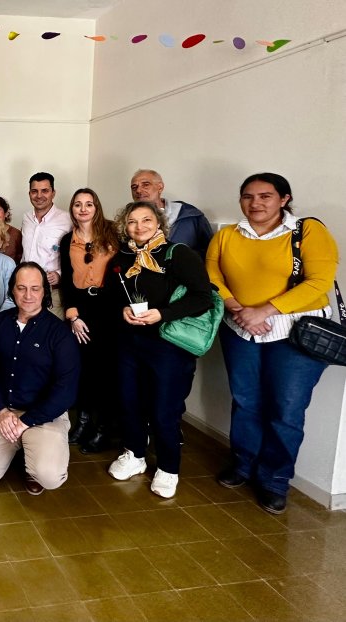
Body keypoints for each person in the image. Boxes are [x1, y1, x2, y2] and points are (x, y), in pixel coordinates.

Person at [206, 173, 338, 514]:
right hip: (240, 330)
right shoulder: (227, 235)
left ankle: (275, 480)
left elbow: (319, 281)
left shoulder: (307, 231)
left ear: (284, 199)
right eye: (248, 196)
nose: (256, 203)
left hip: (294, 335)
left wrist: (264, 310)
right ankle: (243, 464)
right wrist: (236, 308)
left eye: (265, 196)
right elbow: (212, 276)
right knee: (245, 401)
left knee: (286, 409)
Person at [106, 201, 213, 499]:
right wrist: (122, 310)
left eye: (146, 220)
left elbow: (202, 297)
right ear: (124, 226)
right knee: (129, 400)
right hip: (130, 342)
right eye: (132, 221)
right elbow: (112, 297)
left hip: (168, 345)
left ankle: (168, 467)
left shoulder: (178, 254)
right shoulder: (122, 257)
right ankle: (135, 454)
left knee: (164, 408)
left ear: (159, 223)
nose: (139, 227)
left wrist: (162, 314)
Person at [0, 263, 80, 495]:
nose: (28, 295)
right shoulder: (0, 322)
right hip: (4, 411)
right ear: (13, 290)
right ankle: (21, 445)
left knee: (49, 477)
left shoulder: (59, 333)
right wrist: (1, 410)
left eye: (35, 288)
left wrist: (25, 423)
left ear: (44, 291)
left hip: (44, 416)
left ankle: (33, 458)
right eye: (21, 288)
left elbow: (66, 390)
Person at [59, 188, 121, 454]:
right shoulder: (67, 240)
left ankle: (103, 428)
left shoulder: (113, 234)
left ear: (97, 207)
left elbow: (122, 273)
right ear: (72, 209)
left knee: (105, 371)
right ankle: (83, 423)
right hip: (80, 307)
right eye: (77, 204)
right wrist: (73, 315)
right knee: (82, 369)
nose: (83, 209)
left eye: (89, 204)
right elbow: (66, 279)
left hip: (108, 307)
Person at [22, 172, 72, 318]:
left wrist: (59, 274)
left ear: (53, 193)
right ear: (29, 194)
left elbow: (75, 254)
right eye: (34, 191)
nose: (39, 196)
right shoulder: (26, 218)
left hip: (52, 291)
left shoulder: (67, 220)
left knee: (51, 330)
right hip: (25, 289)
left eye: (44, 191)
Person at [130, 169, 213, 257]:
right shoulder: (126, 219)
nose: (138, 190)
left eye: (146, 185)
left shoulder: (191, 215)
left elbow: (210, 252)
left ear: (160, 187)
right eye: (134, 187)